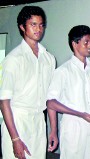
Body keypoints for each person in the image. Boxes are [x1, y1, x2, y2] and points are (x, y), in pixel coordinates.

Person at [0, 6, 56, 159]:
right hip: (18, 121)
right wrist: (15, 139)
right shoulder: (13, 59)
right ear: (22, 27)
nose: (38, 29)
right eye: (33, 24)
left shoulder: (48, 59)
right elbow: (4, 102)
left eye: (41, 24)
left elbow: (51, 98)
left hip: (38, 121)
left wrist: (53, 130)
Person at [46, 25, 90, 159]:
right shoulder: (63, 72)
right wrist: (54, 130)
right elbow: (51, 103)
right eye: (86, 42)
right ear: (75, 44)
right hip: (73, 127)